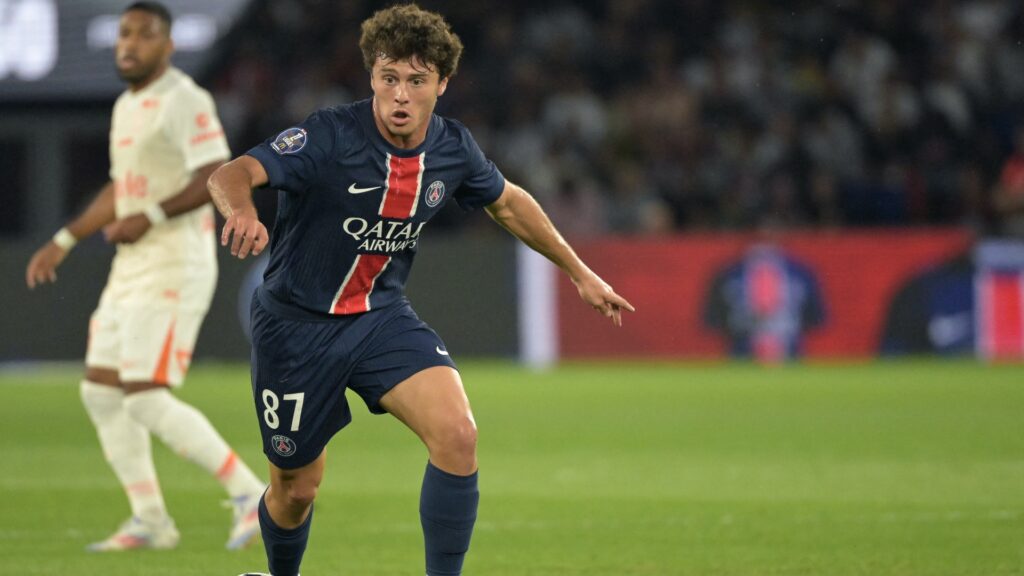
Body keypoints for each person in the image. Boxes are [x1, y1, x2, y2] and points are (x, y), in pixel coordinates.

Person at [207, 5, 635, 576]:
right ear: (372, 79)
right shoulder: (328, 135)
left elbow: (507, 202)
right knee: (296, 488)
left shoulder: (452, 148)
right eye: (389, 78)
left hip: (380, 318)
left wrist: (580, 272)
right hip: (296, 329)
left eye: (416, 80)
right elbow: (231, 174)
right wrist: (241, 212)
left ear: (441, 84)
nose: (400, 95)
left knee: (457, 434)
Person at [24, 1, 264, 552]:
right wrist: (65, 240)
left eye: (144, 35)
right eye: (124, 34)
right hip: (133, 264)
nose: (129, 44)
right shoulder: (128, 106)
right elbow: (121, 188)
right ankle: (151, 519)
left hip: (175, 260)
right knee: (101, 392)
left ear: (168, 44)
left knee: (145, 397)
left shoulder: (185, 99)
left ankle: (250, 494)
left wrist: (151, 215)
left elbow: (215, 172)